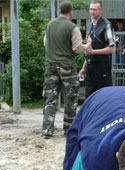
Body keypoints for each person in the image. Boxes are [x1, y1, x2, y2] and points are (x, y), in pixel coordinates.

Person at [41, 1, 87, 138]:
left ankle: (47, 129)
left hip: (50, 65)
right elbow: (77, 48)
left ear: (60, 11)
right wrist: (87, 46)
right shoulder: (72, 27)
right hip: (67, 65)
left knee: (50, 97)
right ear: (71, 12)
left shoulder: (50, 25)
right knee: (71, 97)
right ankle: (69, 129)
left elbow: (45, 43)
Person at [78, 1, 116, 99]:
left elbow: (112, 48)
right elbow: (89, 50)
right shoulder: (90, 25)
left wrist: (94, 52)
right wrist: (83, 67)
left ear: (101, 10)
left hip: (102, 67)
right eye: (91, 9)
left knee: (104, 97)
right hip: (90, 67)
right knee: (89, 97)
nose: (92, 12)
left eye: (95, 9)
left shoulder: (106, 25)